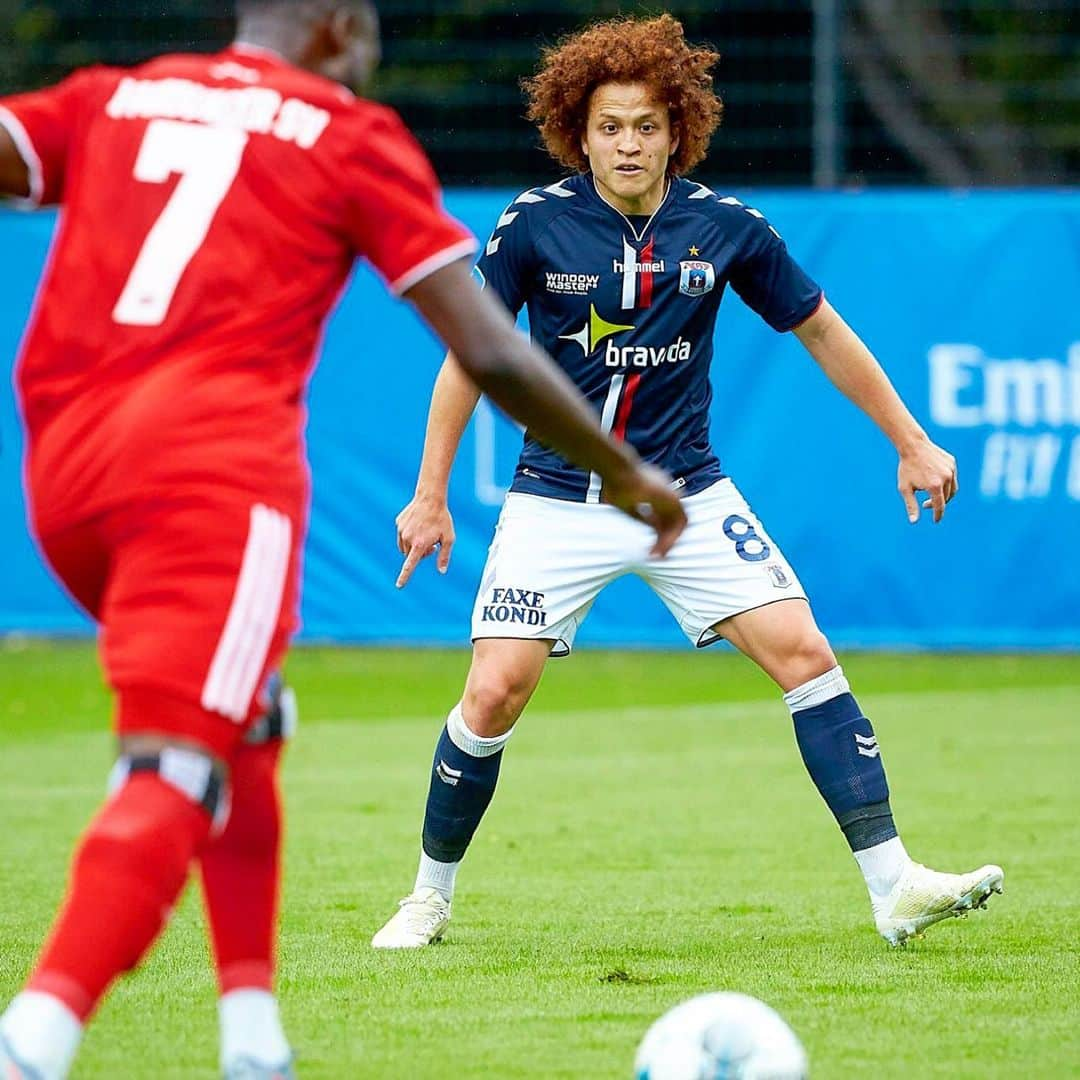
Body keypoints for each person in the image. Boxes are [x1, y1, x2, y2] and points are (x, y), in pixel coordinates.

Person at [0, 2, 686, 1077]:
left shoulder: (113, 94)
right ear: (327, 23)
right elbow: (492, 351)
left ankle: (253, 1035)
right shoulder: (346, 134)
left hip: (61, 481)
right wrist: (625, 473)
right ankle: (36, 1036)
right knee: (176, 767)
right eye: (366, 24)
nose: (374, 47)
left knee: (253, 715)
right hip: (205, 488)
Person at [373, 14, 1003, 953]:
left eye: (647, 126)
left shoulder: (729, 228)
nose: (628, 144)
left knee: (805, 653)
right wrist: (428, 497)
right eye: (610, 127)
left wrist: (910, 440)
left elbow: (822, 329)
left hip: (686, 498)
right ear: (577, 134)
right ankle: (427, 897)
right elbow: (469, 357)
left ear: (678, 130)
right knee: (496, 691)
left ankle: (894, 885)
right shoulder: (533, 224)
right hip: (556, 499)